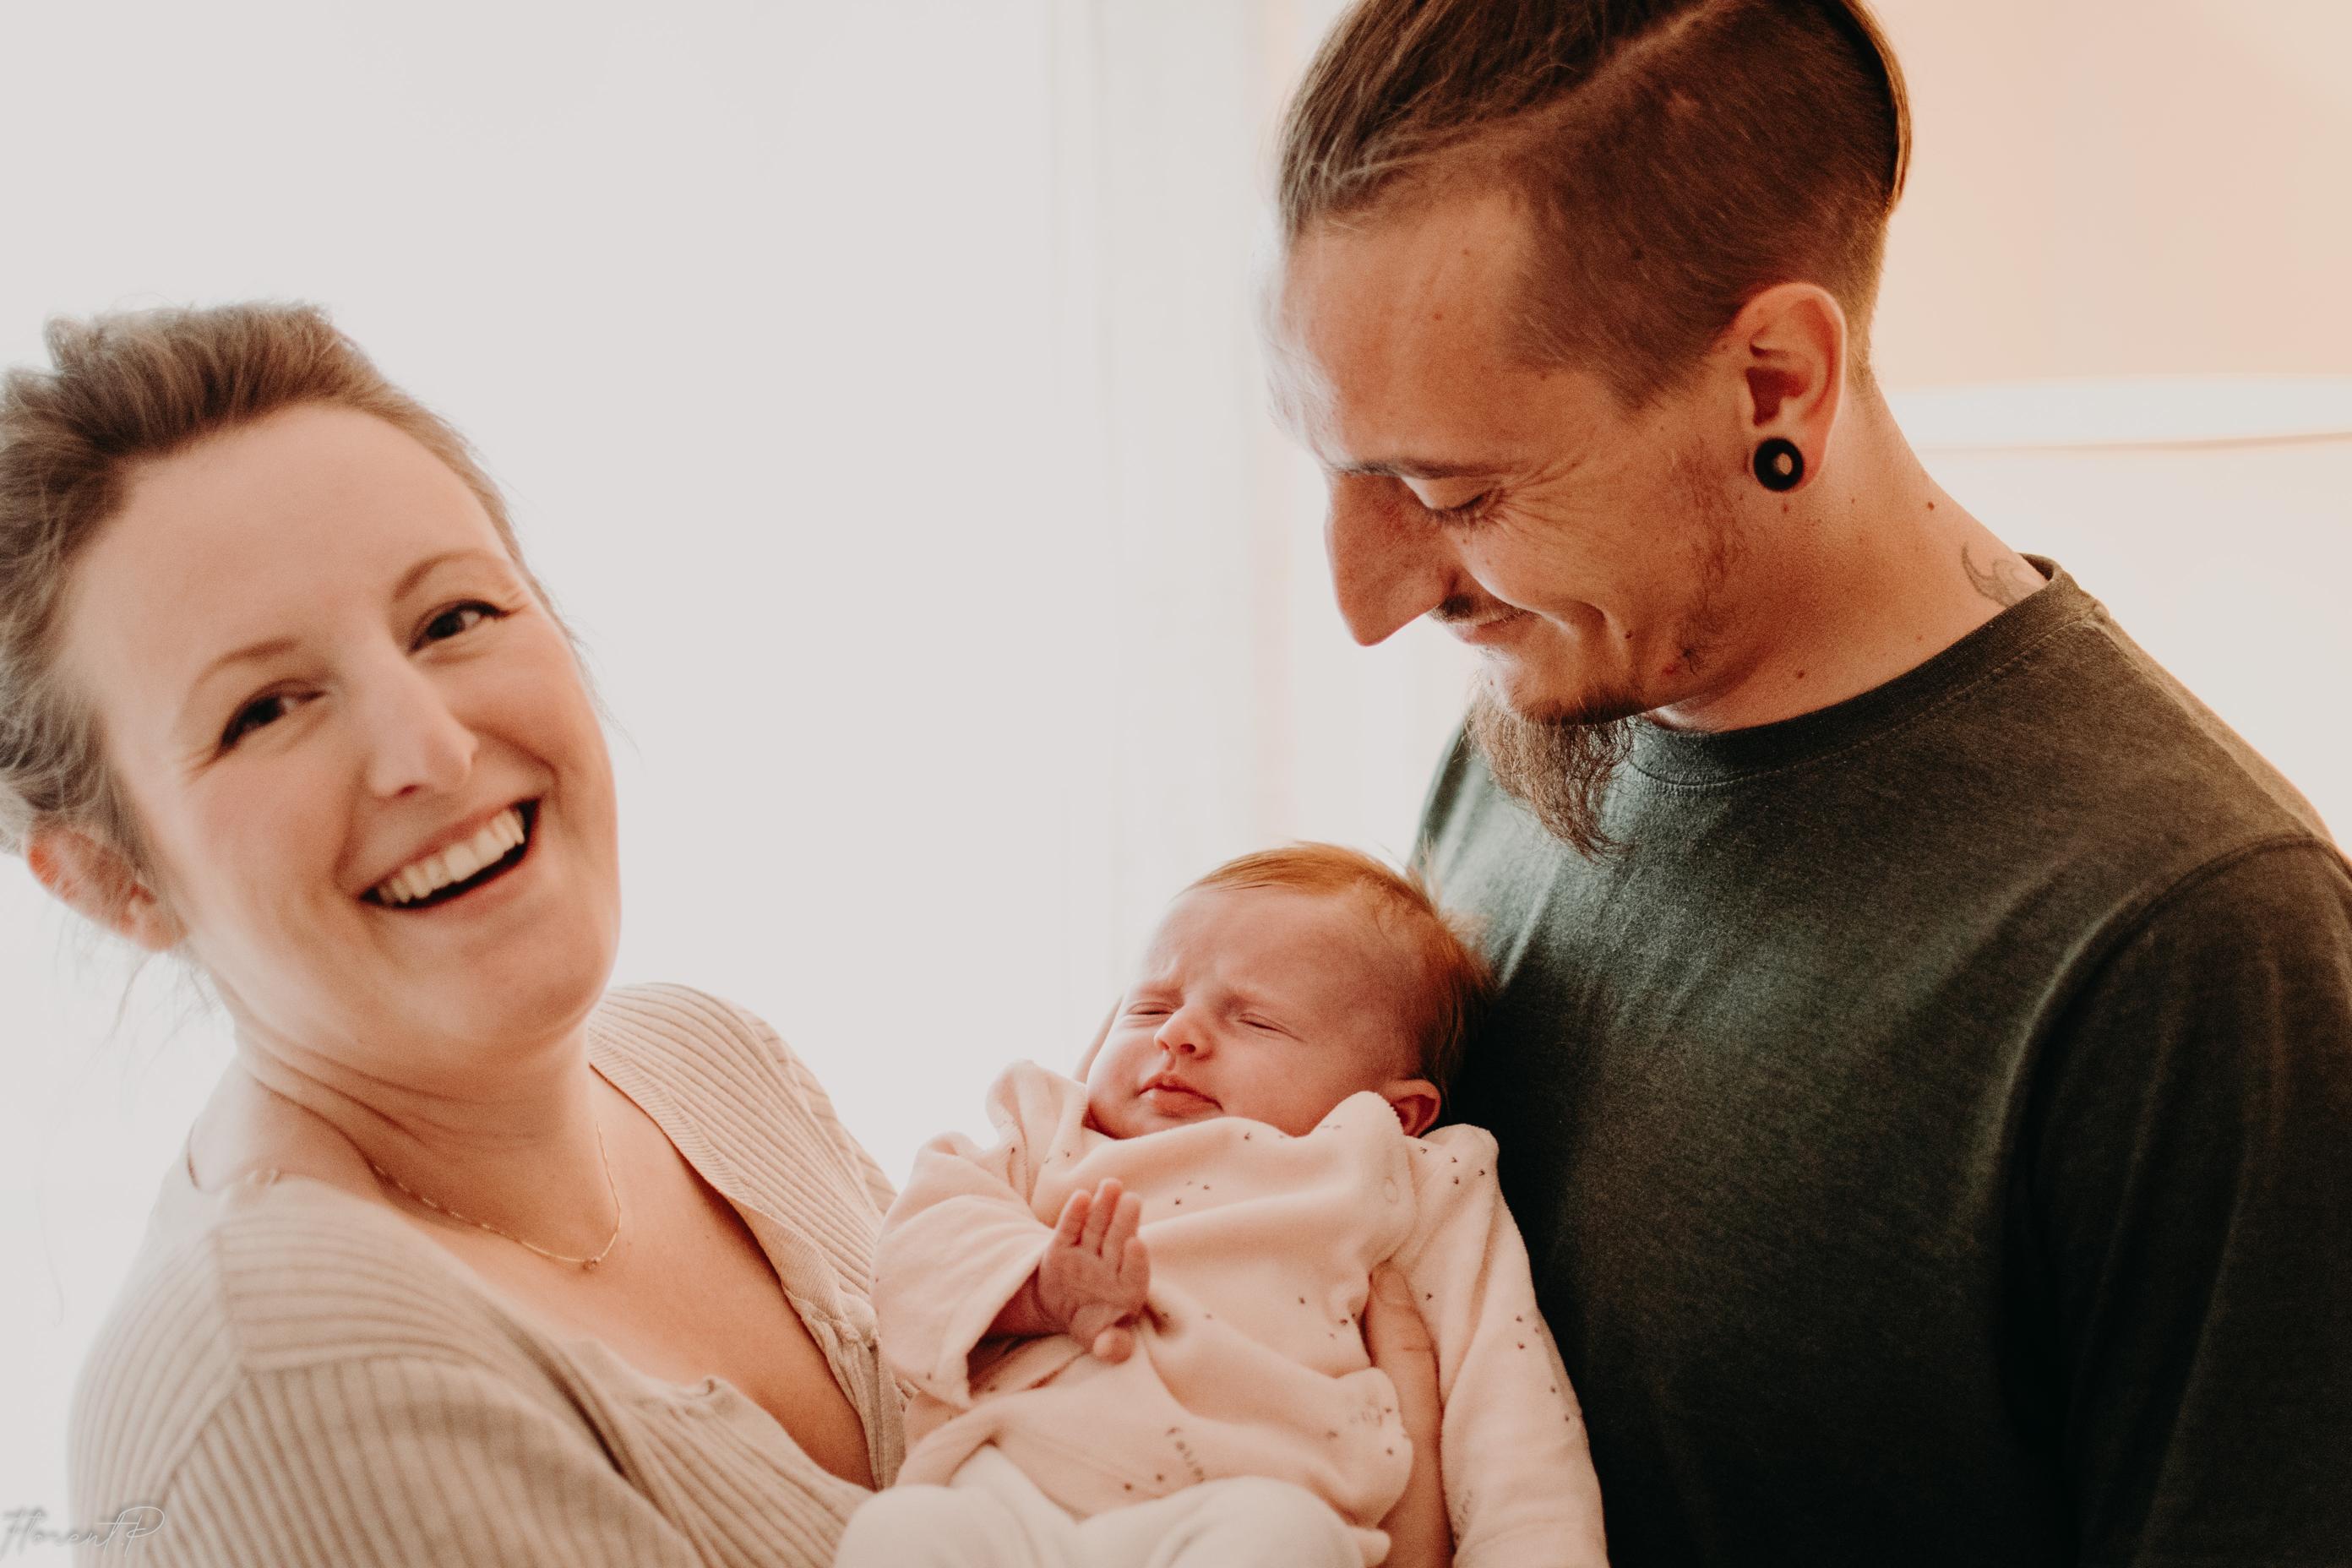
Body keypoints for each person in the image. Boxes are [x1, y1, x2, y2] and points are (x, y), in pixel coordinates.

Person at [3, 302, 1451, 1568]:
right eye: (266, 708)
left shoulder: (701, 1060)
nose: (428, 748)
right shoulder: (281, 1384)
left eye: (452, 617)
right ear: (114, 880)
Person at [1263, 3, 2352, 1566]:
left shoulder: (2193, 952)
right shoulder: (1530, 725)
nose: (1365, 603)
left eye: (1457, 493)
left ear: (1774, 385)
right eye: (1337, 469)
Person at [838, 844, 1608, 1568]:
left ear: (1396, 1112)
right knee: (902, 1529)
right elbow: (925, 1236)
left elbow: (1506, 1400)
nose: (1177, 1034)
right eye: (1149, 1008)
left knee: (1285, 1538)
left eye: (1255, 1019)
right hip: (1012, 1489)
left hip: (1250, 1502)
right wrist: (1041, 1289)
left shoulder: (1402, 1175)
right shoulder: (1049, 1125)